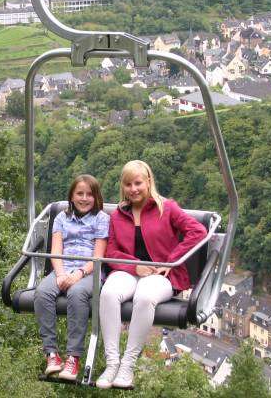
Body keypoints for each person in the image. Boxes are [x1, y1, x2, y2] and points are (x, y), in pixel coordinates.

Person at [96, 160, 207, 389]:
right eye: (128, 184)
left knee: (145, 297)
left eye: (138, 183)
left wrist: (170, 261)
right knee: (108, 293)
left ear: (148, 182)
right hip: (128, 271)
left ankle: (127, 365)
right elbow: (112, 251)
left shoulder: (166, 208)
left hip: (161, 276)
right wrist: (135, 266)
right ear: (122, 186)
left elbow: (197, 231)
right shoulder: (118, 215)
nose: (133, 189)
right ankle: (112, 362)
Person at [34, 174, 110, 381]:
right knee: (42, 293)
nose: (84, 198)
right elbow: (56, 250)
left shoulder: (102, 219)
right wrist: (60, 274)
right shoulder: (61, 218)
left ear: (96, 197)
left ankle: (73, 357)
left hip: (89, 270)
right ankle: (51, 354)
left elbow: (98, 256)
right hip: (63, 266)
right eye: (80, 194)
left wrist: (78, 274)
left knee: (77, 294)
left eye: (89, 194)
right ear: (72, 196)